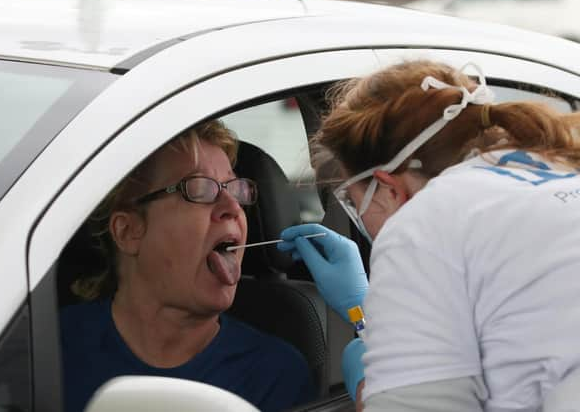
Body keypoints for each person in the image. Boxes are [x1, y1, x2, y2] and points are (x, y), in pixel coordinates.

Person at [277, 59, 580, 411]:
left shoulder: (424, 222)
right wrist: (368, 321)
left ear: (388, 188)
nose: (358, 217)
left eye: (352, 201)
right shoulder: (559, 172)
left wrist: (370, 388)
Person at [60, 120, 316, 412]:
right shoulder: (50, 352)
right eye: (199, 189)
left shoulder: (274, 374)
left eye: (236, 189)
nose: (233, 207)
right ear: (128, 231)